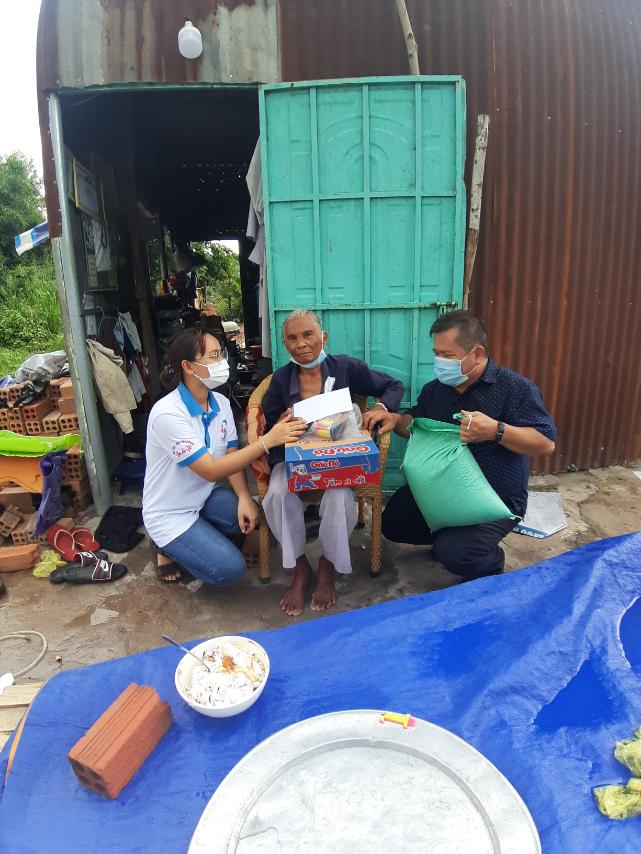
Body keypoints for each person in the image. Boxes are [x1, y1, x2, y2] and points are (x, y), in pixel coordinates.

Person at [369, 310, 557, 581]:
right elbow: (415, 423)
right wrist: (395, 419)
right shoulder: (436, 390)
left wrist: (496, 431)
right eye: (436, 354)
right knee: (393, 522)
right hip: (442, 490)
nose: (439, 362)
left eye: (447, 355)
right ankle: (450, 533)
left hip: (493, 499)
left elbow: (545, 444)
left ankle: (489, 562)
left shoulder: (515, 388)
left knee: (457, 553)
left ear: (477, 354)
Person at [261, 309, 404, 616]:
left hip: (338, 458)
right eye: (292, 338)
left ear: (323, 337)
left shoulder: (345, 368)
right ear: (285, 345)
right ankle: (300, 567)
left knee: (339, 496)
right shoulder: (281, 379)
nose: (301, 344)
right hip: (297, 458)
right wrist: (281, 423)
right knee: (277, 493)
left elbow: (393, 386)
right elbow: (269, 424)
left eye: (308, 335)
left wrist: (381, 408)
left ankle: (327, 564)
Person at [143, 328, 306, 585]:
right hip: (170, 513)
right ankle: (163, 546)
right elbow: (210, 470)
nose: (222, 362)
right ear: (188, 366)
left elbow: (231, 452)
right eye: (213, 356)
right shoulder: (168, 414)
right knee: (229, 569)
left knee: (252, 514)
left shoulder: (220, 402)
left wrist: (244, 497)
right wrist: (267, 441)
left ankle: (196, 537)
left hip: (202, 498)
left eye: (221, 354)